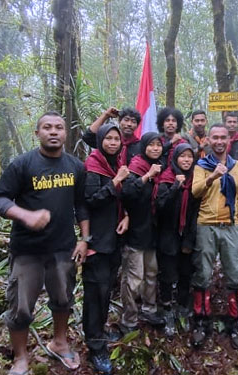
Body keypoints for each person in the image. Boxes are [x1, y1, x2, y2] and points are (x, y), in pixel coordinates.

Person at [0, 111, 88, 373]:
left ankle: (59, 342)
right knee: (21, 307)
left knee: (63, 299)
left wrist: (84, 239)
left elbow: (81, 205)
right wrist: (25, 215)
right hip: (27, 251)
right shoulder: (22, 165)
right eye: (47, 127)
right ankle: (21, 357)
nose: (54, 132)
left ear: (66, 133)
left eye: (59, 127)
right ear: (38, 133)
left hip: (63, 248)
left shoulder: (75, 166)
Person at [190, 123, 238, 349]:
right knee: (203, 273)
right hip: (206, 225)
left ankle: (235, 322)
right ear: (209, 141)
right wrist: (213, 176)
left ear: (228, 140)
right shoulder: (202, 165)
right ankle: (201, 322)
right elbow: (195, 191)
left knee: (234, 273)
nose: (219, 141)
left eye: (223, 137)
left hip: (231, 225)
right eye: (215, 137)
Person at [79, 122, 131, 374]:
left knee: (105, 291)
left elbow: (121, 200)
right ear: (100, 141)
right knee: (95, 294)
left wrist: (126, 216)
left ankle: (99, 332)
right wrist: (116, 182)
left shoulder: (114, 164)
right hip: (97, 242)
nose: (113, 142)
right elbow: (90, 202)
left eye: (116, 139)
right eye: (108, 138)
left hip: (113, 239)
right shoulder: (93, 166)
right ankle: (96, 347)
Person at [119, 132, 166, 333]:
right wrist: (148, 176)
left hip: (153, 232)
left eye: (158, 145)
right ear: (144, 146)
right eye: (151, 145)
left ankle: (149, 308)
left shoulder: (163, 169)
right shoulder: (136, 167)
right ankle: (129, 318)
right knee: (133, 278)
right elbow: (127, 193)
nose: (155, 148)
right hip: (136, 232)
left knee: (151, 274)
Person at [155, 143, 199, 337]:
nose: (186, 160)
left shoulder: (196, 181)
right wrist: (175, 187)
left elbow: (196, 213)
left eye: (190, 156)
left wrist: (190, 239)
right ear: (175, 158)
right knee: (167, 275)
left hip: (187, 236)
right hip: (167, 235)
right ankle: (166, 309)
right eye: (183, 156)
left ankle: (182, 306)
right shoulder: (166, 178)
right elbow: (160, 207)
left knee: (185, 273)